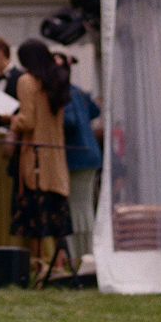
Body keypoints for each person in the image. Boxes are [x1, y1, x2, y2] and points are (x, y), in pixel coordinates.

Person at [8, 39, 73, 283]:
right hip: (56, 156)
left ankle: (40, 265)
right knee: (56, 217)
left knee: (35, 216)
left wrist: (11, 119)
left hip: (35, 158)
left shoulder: (27, 82)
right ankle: (58, 265)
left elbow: (28, 121)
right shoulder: (56, 79)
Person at [62, 63, 104, 270]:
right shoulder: (78, 91)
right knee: (86, 206)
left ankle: (83, 255)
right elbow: (95, 110)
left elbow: (68, 121)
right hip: (91, 153)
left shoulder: (64, 93)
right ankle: (89, 254)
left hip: (77, 155)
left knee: (78, 208)